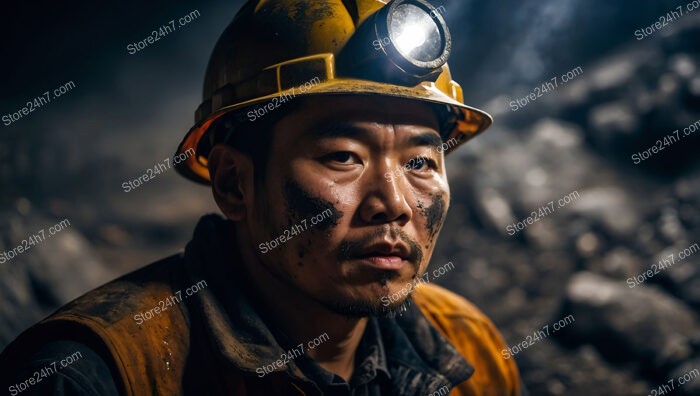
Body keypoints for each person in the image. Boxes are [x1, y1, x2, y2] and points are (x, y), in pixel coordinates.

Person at [0, 0, 522, 394]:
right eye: (343, 157)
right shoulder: (93, 375)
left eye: (420, 163)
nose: (395, 204)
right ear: (233, 184)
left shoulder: (470, 347)